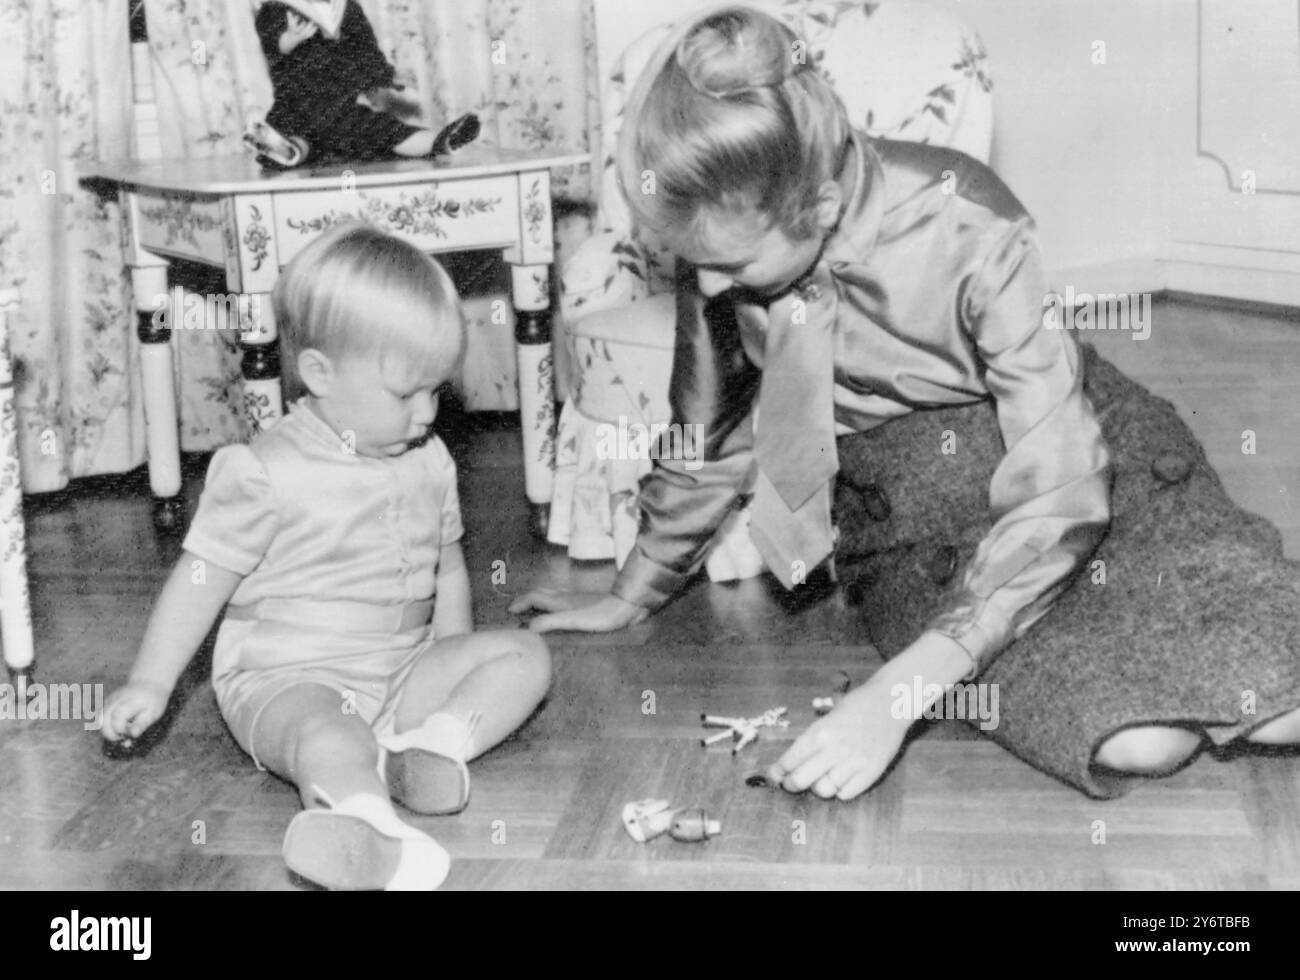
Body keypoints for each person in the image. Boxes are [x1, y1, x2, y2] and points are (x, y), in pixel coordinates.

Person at [510, 6, 1300, 800]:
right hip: (908, 525)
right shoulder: (726, 255)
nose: (708, 287)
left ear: (816, 209)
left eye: (731, 264)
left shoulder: (969, 219)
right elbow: (708, 435)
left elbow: (1061, 480)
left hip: (1078, 468)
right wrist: (631, 590)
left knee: (1275, 704)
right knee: (1142, 743)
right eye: (697, 264)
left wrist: (895, 699)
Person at [103, 223, 551, 890]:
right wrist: (152, 681)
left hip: (400, 673)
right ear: (320, 373)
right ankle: (364, 823)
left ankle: (430, 747)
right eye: (407, 394)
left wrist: (447, 659)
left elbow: (447, 564)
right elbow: (198, 582)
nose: (428, 412)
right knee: (329, 736)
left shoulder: (429, 459)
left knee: (526, 656)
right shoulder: (263, 470)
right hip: (289, 679)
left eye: (436, 389)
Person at [247, 0, 481, 167]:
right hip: (296, 104)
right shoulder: (277, 8)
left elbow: (366, 52)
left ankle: (440, 140)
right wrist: (289, 39)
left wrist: (389, 76)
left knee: (385, 130)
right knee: (296, 136)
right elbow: (272, 44)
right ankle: (289, 151)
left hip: (340, 108)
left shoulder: (347, 9)